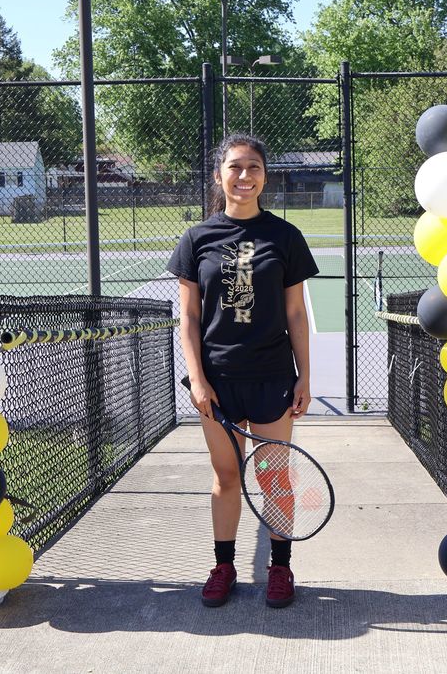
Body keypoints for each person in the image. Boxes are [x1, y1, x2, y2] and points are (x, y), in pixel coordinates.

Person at [166, 133, 319, 609]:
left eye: (254, 167)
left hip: (273, 377)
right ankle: (224, 565)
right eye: (235, 167)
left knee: (275, 477)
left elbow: (296, 314)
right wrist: (197, 377)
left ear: (265, 176)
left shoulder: (285, 236)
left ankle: (280, 569)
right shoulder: (197, 239)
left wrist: (304, 377)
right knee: (226, 477)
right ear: (219, 176)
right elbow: (188, 317)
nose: (244, 176)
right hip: (218, 381)